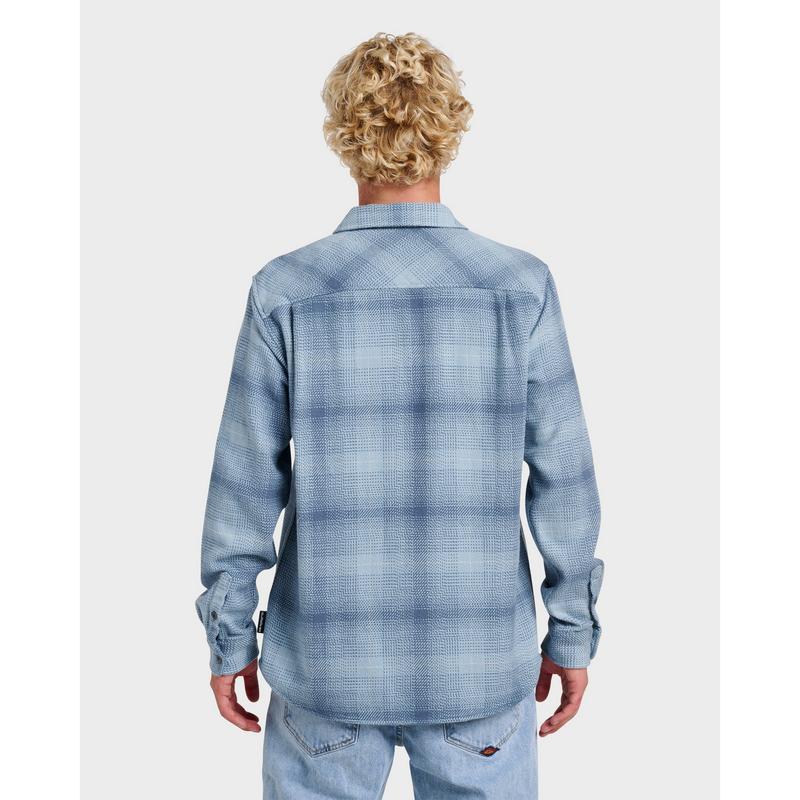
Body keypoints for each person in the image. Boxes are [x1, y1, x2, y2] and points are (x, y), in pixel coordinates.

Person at [195, 32, 604, 799]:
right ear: (450, 128)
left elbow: (243, 484)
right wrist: (573, 631)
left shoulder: (286, 289)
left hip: (326, 668)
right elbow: (565, 479)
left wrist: (229, 638)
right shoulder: (521, 287)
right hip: (479, 667)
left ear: (343, 134)